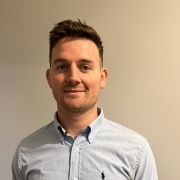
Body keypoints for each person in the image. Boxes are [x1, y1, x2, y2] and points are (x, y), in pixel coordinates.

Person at [12, 19, 158, 180]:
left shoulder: (136, 151)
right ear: (49, 78)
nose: (73, 78)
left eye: (85, 67)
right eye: (62, 67)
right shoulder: (25, 152)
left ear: (102, 78)